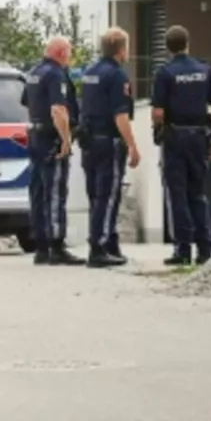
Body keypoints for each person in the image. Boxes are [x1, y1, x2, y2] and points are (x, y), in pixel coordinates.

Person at [151, 25, 211, 266]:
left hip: (175, 137)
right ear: (187, 43)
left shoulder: (165, 73)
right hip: (199, 137)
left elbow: (158, 112)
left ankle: (182, 251)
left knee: (177, 193)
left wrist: (158, 132)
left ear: (168, 47)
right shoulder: (204, 69)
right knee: (198, 193)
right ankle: (205, 249)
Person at [80, 27, 141, 268]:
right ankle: (99, 246)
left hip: (89, 141)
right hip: (108, 141)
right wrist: (133, 146)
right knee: (108, 195)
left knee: (96, 195)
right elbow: (120, 116)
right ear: (121, 49)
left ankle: (110, 243)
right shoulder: (117, 75)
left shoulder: (89, 72)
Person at [22, 37, 84, 265]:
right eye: (69, 52)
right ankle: (56, 245)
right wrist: (65, 139)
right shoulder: (56, 74)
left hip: (36, 136)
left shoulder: (33, 72)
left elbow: (28, 103)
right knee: (55, 191)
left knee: (38, 191)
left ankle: (41, 246)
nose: (70, 57)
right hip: (51, 137)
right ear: (61, 52)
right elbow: (58, 109)